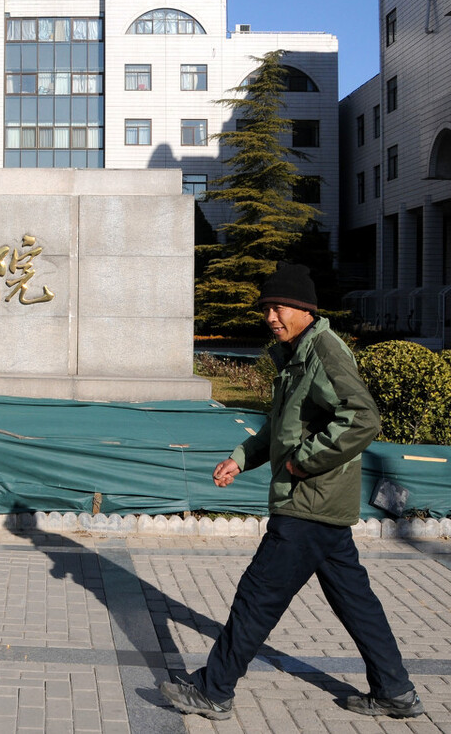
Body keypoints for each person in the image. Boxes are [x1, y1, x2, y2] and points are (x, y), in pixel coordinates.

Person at [158, 263, 423, 721]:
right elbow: (282, 428)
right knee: (355, 602)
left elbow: (363, 418)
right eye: (266, 309)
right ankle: (394, 691)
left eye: (277, 307)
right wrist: (240, 458)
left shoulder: (324, 351)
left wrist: (304, 461)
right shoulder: (298, 352)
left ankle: (214, 689)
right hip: (320, 506)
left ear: (303, 308)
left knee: (257, 596)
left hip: (308, 503)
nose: (270, 317)